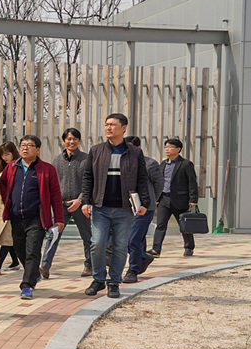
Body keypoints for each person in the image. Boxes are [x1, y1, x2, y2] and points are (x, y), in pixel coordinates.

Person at [80, 113, 151, 299]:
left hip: (124, 209)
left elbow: (142, 179)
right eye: (106, 124)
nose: (108, 128)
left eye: (113, 124)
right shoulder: (96, 150)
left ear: (124, 128)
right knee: (97, 244)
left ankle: (113, 283)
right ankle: (98, 279)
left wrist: (144, 202)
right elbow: (88, 177)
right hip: (100, 207)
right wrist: (85, 201)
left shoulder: (134, 152)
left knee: (120, 246)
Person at [0, 135, 65, 300]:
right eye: (22, 145)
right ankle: (34, 273)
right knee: (20, 249)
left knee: (32, 251)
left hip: (37, 218)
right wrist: (9, 205)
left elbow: (56, 194)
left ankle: (27, 285)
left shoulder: (47, 169)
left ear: (38, 149)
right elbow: (3, 185)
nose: (25, 148)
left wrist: (59, 219)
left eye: (29, 145)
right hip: (16, 217)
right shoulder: (12, 167)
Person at [40, 128, 92, 279]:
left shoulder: (86, 159)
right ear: (63, 141)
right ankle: (45, 266)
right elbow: (52, 183)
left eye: (75, 139)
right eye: (68, 139)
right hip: (60, 205)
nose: (71, 141)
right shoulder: (56, 160)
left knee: (87, 236)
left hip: (80, 204)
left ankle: (89, 265)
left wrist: (80, 200)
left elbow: (90, 182)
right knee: (53, 235)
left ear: (79, 141)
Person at [151, 137, 199, 259]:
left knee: (184, 225)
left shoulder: (186, 164)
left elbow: (192, 182)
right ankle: (156, 249)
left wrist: (193, 199)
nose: (167, 149)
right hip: (164, 199)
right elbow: (159, 182)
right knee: (160, 225)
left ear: (178, 149)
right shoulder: (163, 164)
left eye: (170, 147)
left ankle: (189, 247)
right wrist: (156, 197)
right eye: (166, 147)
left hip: (180, 199)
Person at [122, 136, 161, 283]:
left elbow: (159, 184)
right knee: (126, 240)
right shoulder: (121, 163)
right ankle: (144, 257)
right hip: (125, 207)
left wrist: (150, 201)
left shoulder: (150, 163)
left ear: (138, 148)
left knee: (134, 239)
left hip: (143, 208)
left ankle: (133, 270)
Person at [0, 142, 21, 276]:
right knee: (7, 235)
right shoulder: (0, 168)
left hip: (10, 205)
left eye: (7, 154)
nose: (5, 157)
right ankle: (15, 262)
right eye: (2, 154)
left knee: (6, 234)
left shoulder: (18, 167)